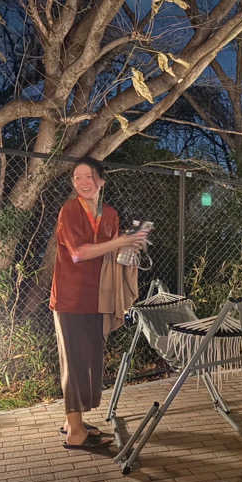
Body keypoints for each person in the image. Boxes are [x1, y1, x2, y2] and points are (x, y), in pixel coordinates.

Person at [49, 158, 148, 449]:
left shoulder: (110, 214)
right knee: (75, 362)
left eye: (88, 176)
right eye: (77, 177)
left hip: (98, 297)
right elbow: (79, 253)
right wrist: (119, 243)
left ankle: (73, 421)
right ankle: (76, 434)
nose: (82, 182)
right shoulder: (69, 211)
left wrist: (132, 244)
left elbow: (111, 253)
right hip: (71, 298)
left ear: (101, 181)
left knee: (89, 360)